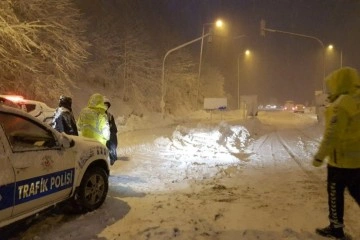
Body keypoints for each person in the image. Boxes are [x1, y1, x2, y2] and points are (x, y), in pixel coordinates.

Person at [312, 67, 360, 240]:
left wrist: (319, 156)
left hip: (340, 162)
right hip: (357, 162)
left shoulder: (341, 105)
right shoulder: (357, 100)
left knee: (334, 192)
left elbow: (332, 134)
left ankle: (336, 228)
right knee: (357, 192)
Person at [104, 97, 118, 165]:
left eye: (107, 105)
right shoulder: (98, 115)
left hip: (110, 132)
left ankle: (113, 157)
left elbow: (113, 125)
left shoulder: (109, 115)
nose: (105, 107)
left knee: (113, 144)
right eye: (104, 105)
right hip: (102, 133)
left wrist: (113, 131)